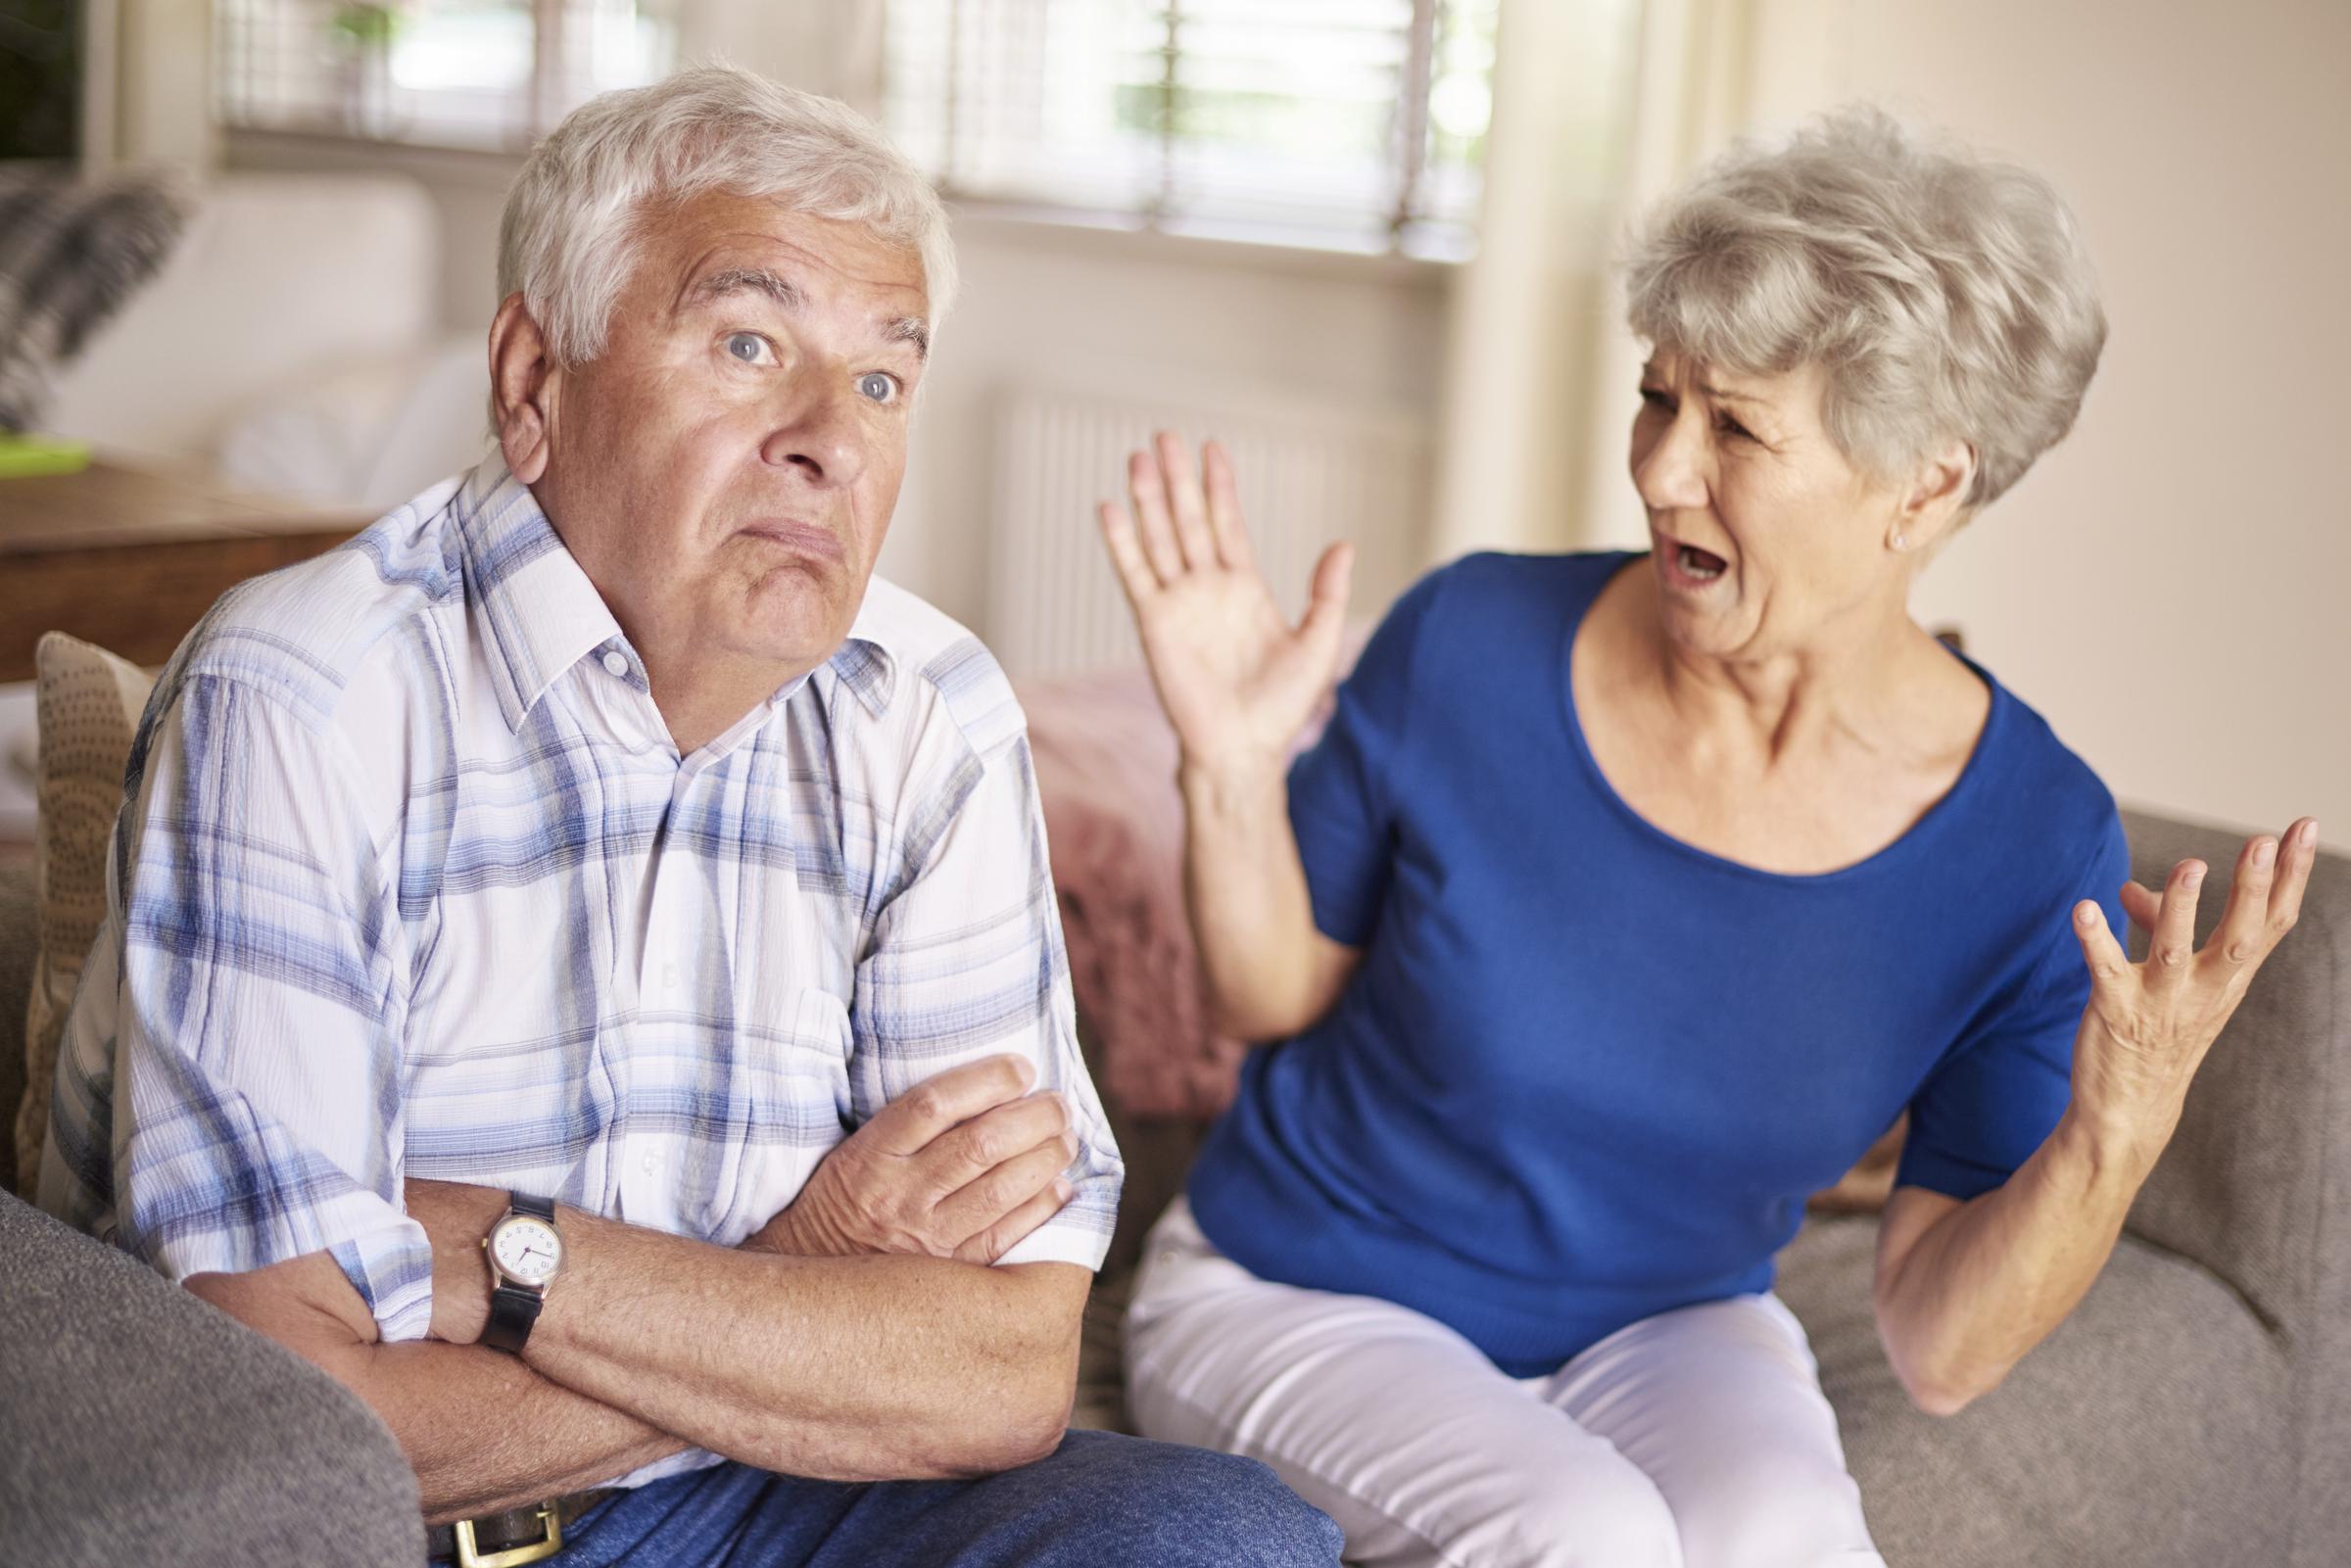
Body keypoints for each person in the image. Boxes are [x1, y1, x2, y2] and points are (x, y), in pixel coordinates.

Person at [38, 65, 1340, 1568]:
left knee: (1221, 1533)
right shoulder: (301, 698)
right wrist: (801, 1279)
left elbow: (1001, 1370)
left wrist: (504, 1254)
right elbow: (299, 1408)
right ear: (534, 382)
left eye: (882, 379)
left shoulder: (931, 712)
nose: (830, 439)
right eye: (746, 340)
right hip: (397, 1534)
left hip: (786, 1505)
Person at [1099, 107, 2317, 1568]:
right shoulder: (1472, 638)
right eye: (1659, 397)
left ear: (1927, 482)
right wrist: (1226, 768)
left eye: (1737, 426)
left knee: (1789, 1540)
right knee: (1587, 1533)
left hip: (1670, 1318)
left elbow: (1941, 1346)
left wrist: (2114, 1137)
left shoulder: (2031, 840)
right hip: (1299, 1286)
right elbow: (1266, 993)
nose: (1663, 469)